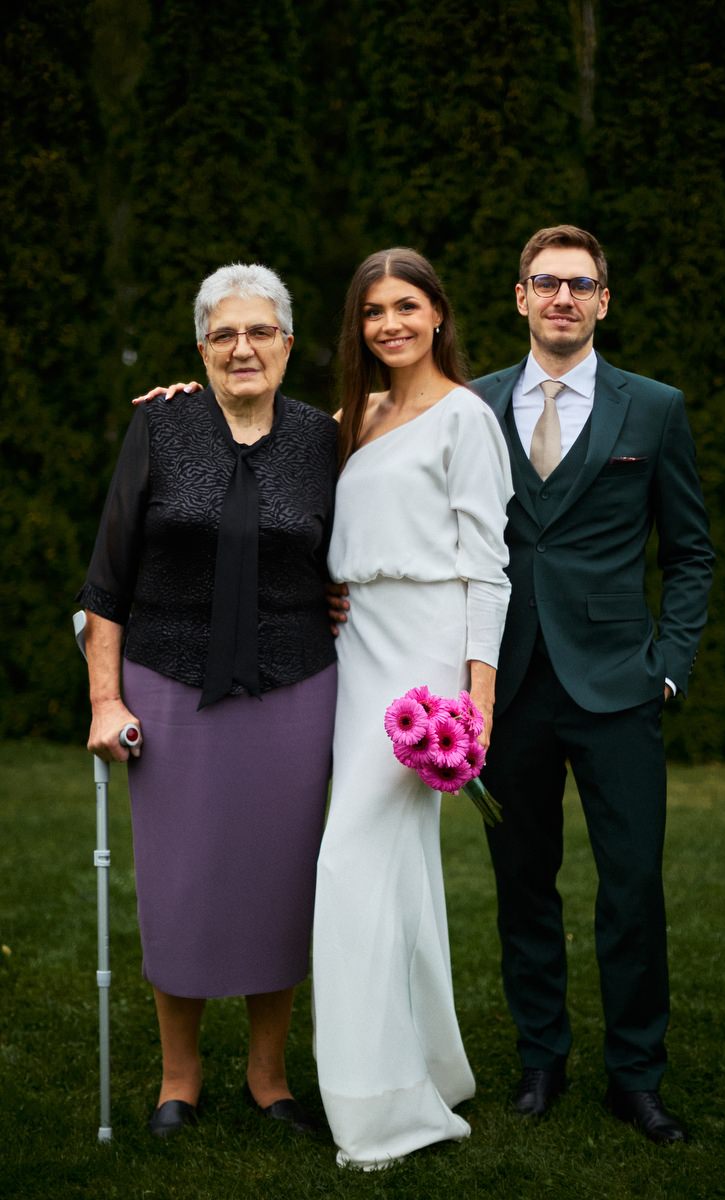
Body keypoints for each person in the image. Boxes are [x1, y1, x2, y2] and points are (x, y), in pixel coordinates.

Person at [77, 263, 338, 1138]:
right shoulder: (160, 424)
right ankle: (178, 1078)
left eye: (260, 331)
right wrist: (104, 700)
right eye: (224, 334)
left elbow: (352, 548)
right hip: (169, 681)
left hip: (295, 684)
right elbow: (107, 580)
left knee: (282, 881)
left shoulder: (323, 438)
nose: (242, 347)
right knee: (179, 883)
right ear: (201, 350)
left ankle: (270, 1077)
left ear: (288, 344)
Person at [468, 225, 714, 1143]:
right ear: (521, 297)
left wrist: (669, 667)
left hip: (619, 684)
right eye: (546, 283)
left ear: (603, 301)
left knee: (632, 886)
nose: (562, 298)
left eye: (580, 284)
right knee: (523, 883)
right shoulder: (472, 405)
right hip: (509, 684)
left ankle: (635, 1074)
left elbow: (690, 552)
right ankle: (542, 1060)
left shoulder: (654, 408)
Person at [312, 247, 513, 1168]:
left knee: (351, 862)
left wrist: (478, 696)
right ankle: (431, 1067)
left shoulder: (466, 416)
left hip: (426, 658)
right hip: (356, 645)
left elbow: (488, 566)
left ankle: (381, 1109)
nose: (388, 323)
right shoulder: (353, 418)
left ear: (438, 314)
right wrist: (183, 403)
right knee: (398, 873)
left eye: (405, 305)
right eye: (372, 311)